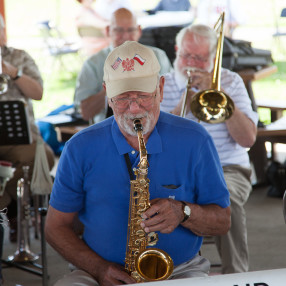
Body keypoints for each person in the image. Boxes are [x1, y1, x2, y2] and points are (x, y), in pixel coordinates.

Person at [45, 41, 231, 285]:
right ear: (107, 95)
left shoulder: (195, 139)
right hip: (96, 272)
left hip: (180, 270)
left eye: (143, 96)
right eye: (122, 97)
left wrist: (183, 212)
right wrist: (99, 269)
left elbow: (223, 221)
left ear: (161, 88)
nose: (134, 108)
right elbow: (55, 227)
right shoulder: (79, 146)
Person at [160, 24, 258, 274]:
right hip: (178, 171)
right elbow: (154, 141)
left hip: (229, 168)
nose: (191, 63)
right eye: (186, 55)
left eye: (199, 57)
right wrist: (181, 106)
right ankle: (173, 270)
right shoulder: (162, 85)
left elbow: (248, 139)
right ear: (175, 51)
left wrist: (221, 97)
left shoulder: (231, 81)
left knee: (226, 200)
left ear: (213, 58)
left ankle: (236, 274)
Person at [0, 14, 55, 242]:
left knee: (43, 157)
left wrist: (13, 72)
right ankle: (11, 209)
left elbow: (38, 93)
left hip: (19, 139)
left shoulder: (19, 56)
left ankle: (10, 210)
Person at [74, 8, 173, 123]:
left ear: (139, 31)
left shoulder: (158, 56)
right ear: (108, 31)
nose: (125, 36)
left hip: (154, 126)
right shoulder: (94, 64)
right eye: (119, 30)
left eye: (131, 30)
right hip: (109, 131)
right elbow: (84, 112)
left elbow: (172, 96)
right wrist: (114, 85)